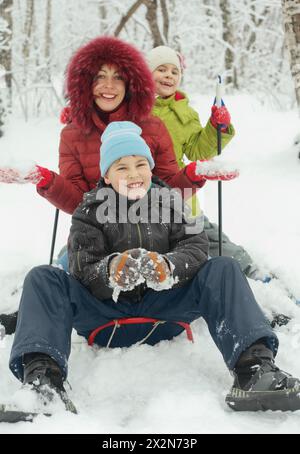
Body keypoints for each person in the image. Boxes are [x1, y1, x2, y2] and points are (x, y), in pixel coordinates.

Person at [5, 121, 300, 417]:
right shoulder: (89, 211)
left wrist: (169, 266)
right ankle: (44, 385)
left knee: (222, 267)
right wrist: (111, 271)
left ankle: (254, 371)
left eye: (140, 164)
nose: (133, 174)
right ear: (106, 175)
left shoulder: (172, 201)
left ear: (151, 168)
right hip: (105, 313)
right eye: (121, 167)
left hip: (167, 308)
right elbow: (82, 266)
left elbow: (196, 247)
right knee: (44, 276)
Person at [0, 36, 237, 334]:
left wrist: (193, 174)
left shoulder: (152, 126)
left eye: (117, 77)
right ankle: (31, 317)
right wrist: (46, 180)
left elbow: (168, 193)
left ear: (131, 83)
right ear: (85, 83)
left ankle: (261, 307)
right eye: (100, 76)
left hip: (158, 228)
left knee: (225, 257)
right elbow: (79, 203)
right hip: (103, 230)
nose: (108, 85)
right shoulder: (72, 134)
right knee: (68, 266)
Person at [146, 45, 265, 280]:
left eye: (174, 71)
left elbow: (198, 150)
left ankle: (252, 273)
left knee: (206, 235)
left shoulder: (184, 113)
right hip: (141, 198)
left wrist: (216, 128)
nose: (169, 75)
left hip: (179, 194)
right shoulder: (134, 109)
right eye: (161, 69)